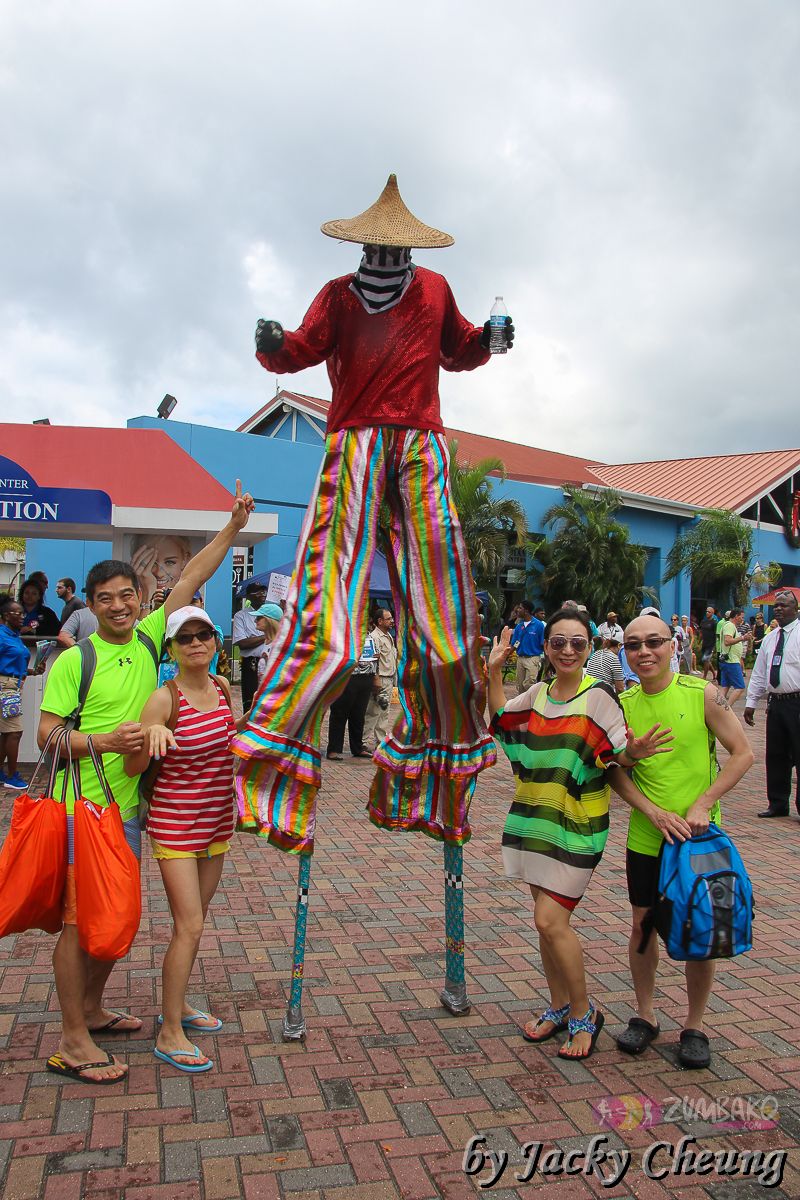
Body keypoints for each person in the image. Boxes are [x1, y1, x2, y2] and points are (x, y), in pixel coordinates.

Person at [235, 174, 512, 855]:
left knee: (444, 613)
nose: (386, 257)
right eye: (376, 248)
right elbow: (300, 348)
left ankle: (432, 775)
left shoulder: (435, 288)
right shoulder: (338, 295)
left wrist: (490, 337)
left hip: (419, 438)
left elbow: (459, 348)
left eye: (395, 249)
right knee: (324, 605)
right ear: (362, 247)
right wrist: (272, 341)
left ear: (410, 250)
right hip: (356, 438)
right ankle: (271, 773)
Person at [38, 483, 254, 1086]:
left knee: (115, 917)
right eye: (105, 599)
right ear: (90, 605)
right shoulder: (75, 660)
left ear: (140, 597)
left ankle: (92, 1010)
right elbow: (47, 735)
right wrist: (106, 742)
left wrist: (233, 529)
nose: (118, 606)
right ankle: (72, 1040)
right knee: (80, 922)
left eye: (126, 596)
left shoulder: (147, 638)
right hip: (82, 806)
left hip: (129, 805)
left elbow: (193, 574)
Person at [488, 608, 679, 1061]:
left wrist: (632, 753)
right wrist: (494, 672)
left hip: (578, 826)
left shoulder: (599, 697)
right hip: (535, 819)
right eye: (559, 642)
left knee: (549, 920)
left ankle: (583, 1013)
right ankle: (558, 1006)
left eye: (577, 642)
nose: (568, 650)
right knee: (547, 926)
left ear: (590, 647)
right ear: (546, 648)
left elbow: (615, 755)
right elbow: (502, 722)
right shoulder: (538, 693)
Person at [614, 613, 753, 1068]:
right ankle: (645, 1015)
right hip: (647, 838)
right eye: (634, 645)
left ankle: (695, 1025)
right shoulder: (623, 703)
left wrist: (703, 803)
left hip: (698, 841)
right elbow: (612, 770)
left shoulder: (702, 694)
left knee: (702, 928)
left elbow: (743, 753)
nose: (644, 652)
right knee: (642, 926)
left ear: (673, 645)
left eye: (653, 642)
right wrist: (650, 806)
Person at [124, 606, 245, 1073]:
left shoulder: (221, 687)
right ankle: (169, 1031)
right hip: (175, 825)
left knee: (193, 924)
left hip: (217, 822)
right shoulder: (163, 699)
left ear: (215, 642)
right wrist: (149, 735)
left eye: (204, 635)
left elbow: (227, 742)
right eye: (185, 638)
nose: (196, 643)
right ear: (171, 649)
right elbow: (133, 768)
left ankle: (178, 1006)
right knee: (189, 925)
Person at [744, 590, 800, 819]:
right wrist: (751, 702)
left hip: (797, 702)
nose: (778, 609)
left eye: (783, 605)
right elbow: (759, 673)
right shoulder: (770, 638)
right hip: (776, 704)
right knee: (776, 755)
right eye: (776, 605)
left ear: (795, 608)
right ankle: (777, 803)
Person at [326, 630, 378, 761]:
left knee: (359, 715)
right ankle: (333, 749)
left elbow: (374, 657)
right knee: (339, 713)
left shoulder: (368, 634)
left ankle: (358, 748)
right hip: (347, 678)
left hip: (366, 677)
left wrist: (375, 675)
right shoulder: (342, 632)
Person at [0, 597, 31, 790]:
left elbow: (15, 662)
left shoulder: (13, 635)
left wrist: (32, 671)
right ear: (5, 615)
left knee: (6, 733)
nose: (21, 616)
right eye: (17, 613)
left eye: (22, 613)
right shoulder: (2, 636)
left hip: (14, 685)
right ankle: (12, 775)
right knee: (14, 731)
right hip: (5, 687)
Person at [362, 607, 398, 751]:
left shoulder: (387, 635)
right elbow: (373, 661)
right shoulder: (375, 637)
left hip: (388, 678)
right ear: (380, 621)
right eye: (388, 619)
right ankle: (363, 741)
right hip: (380, 679)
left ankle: (381, 741)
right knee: (373, 711)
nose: (392, 621)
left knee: (384, 712)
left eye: (391, 618)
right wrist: (375, 680)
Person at [130, 534, 193, 613]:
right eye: (151, 563)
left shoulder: (194, 602)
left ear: (185, 560)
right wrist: (148, 594)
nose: (159, 573)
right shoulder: (125, 603)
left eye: (170, 562)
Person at [232, 582, 268, 713]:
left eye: (263, 591)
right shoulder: (241, 616)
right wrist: (266, 636)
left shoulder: (271, 613)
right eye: (257, 592)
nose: (262, 594)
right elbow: (242, 643)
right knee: (250, 702)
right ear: (248, 596)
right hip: (252, 664)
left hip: (269, 662)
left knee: (268, 702)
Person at [510, 601, 545, 693]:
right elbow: (515, 644)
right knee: (520, 686)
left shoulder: (539, 625)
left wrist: (548, 660)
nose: (517, 610)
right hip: (520, 659)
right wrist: (505, 655)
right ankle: (523, 702)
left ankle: (533, 700)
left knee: (529, 684)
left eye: (520, 608)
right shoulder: (519, 626)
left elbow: (543, 643)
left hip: (533, 659)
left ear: (526, 611)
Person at [718, 608, 751, 705]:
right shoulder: (730, 626)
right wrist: (743, 638)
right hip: (731, 661)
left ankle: (718, 708)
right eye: (742, 617)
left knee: (725, 686)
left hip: (728, 661)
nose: (742, 619)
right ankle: (727, 708)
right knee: (740, 687)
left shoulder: (729, 625)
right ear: (736, 616)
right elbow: (727, 641)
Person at [18, 577, 60, 650]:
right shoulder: (14, 611)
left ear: (39, 596)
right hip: (16, 647)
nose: (29, 596)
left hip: (41, 650)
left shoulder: (48, 613)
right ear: (22, 594)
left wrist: (34, 630)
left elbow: (56, 632)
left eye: (34, 593)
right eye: (27, 593)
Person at [253, 602, 283, 688]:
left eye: (259, 617)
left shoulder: (280, 645)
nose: (255, 620)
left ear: (269, 620)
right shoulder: (267, 642)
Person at [699, 606, 719, 680]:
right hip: (704, 643)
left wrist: (715, 646)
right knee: (706, 660)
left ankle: (704, 676)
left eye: (709, 612)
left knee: (706, 659)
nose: (707, 613)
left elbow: (716, 634)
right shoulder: (703, 621)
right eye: (706, 611)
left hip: (711, 644)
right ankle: (714, 673)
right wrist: (699, 642)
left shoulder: (714, 622)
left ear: (712, 613)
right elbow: (701, 633)